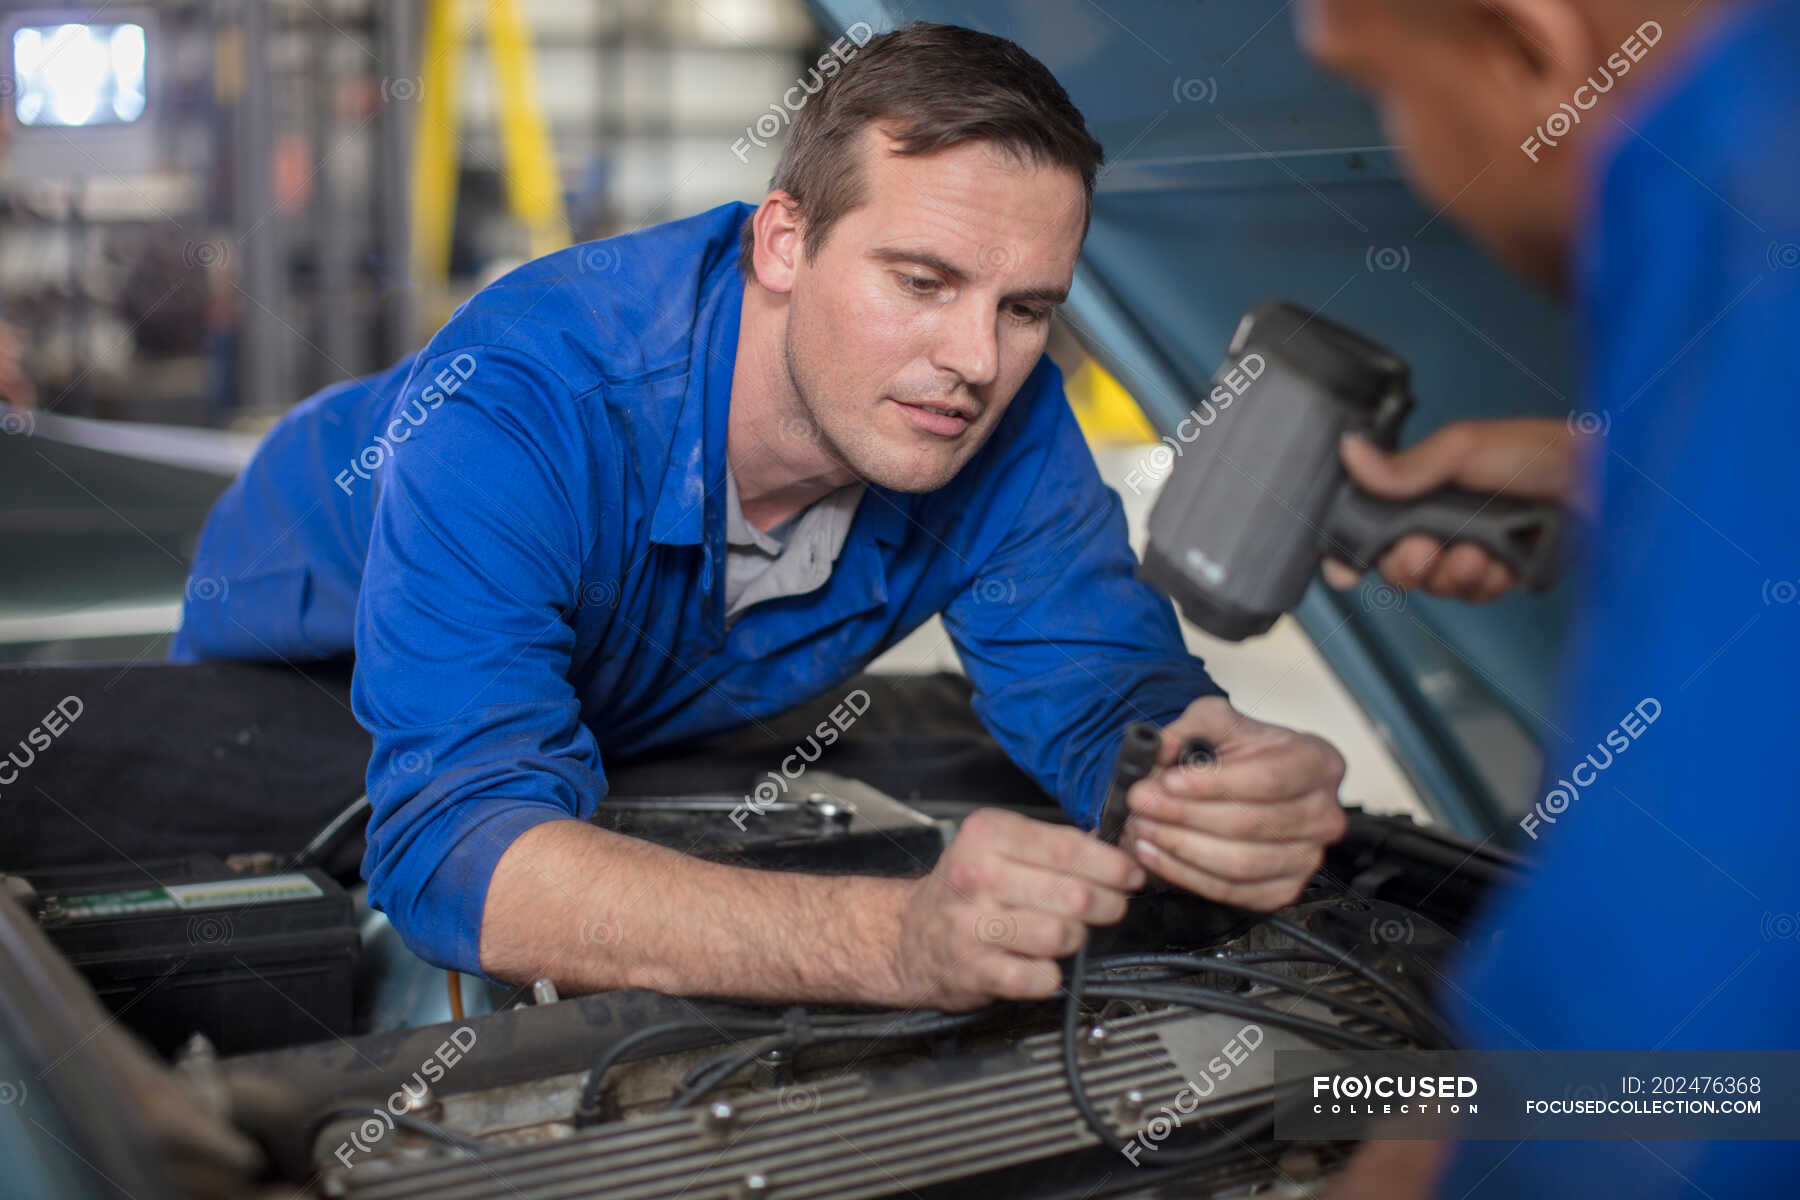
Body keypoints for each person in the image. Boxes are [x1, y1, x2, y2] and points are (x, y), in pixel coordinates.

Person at [175, 24, 1349, 1010]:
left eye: (1027, 307)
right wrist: (895, 942)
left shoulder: (1002, 420)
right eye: (924, 283)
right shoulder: (527, 401)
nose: (975, 360)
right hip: (299, 650)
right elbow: (452, 850)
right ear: (783, 241)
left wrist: (1213, 777)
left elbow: (1107, 695)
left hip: (619, 704)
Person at [1290, 0, 1800, 1194]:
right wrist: (1614, 470)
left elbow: (1665, 1071)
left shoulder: (1747, 219)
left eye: (1380, 92)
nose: (1407, 158)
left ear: (1531, 48)